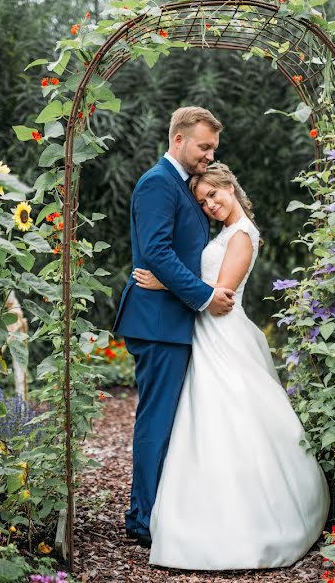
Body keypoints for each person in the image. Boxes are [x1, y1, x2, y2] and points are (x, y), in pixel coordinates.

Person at [132, 163, 329, 570]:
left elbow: (221, 295)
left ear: (230, 187)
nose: (210, 204)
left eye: (214, 194)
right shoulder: (222, 234)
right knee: (203, 424)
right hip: (204, 332)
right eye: (203, 201)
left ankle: (250, 519)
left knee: (231, 419)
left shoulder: (242, 235)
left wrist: (163, 282)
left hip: (221, 333)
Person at [113, 107, 236, 549]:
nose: (209, 155)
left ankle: (161, 508)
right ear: (179, 140)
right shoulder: (156, 184)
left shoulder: (181, 186)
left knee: (171, 420)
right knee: (157, 420)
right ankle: (142, 519)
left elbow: (169, 257)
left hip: (171, 318)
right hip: (158, 322)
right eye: (204, 147)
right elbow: (157, 252)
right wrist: (203, 295)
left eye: (213, 149)